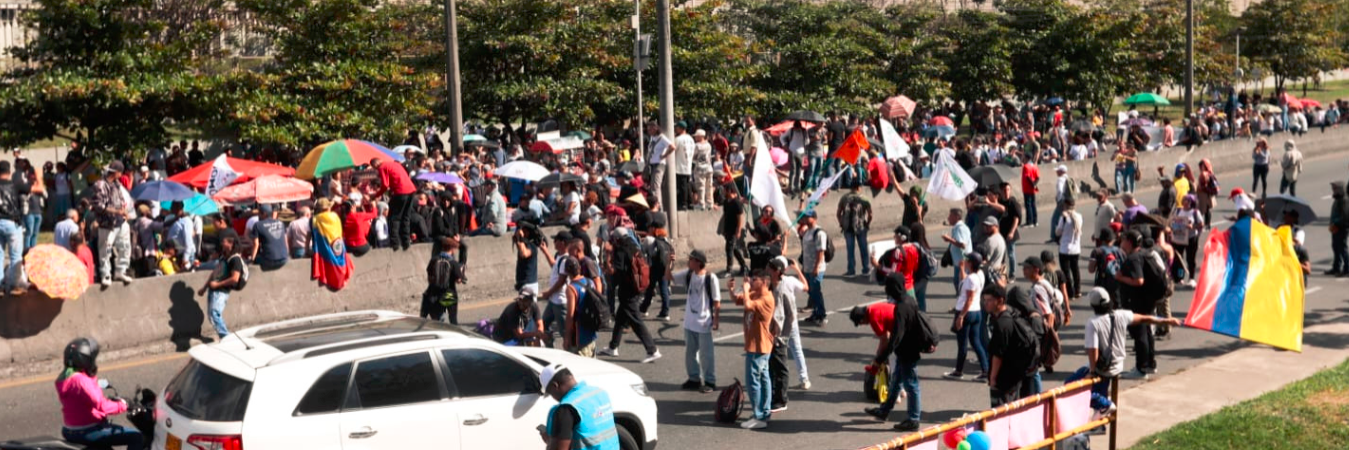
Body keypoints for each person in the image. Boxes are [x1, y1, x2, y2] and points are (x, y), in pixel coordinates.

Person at [1072, 287, 1181, 415]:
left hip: (1103, 368)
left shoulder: (1093, 323)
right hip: (1117, 365)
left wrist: (1092, 372)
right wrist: (1168, 321)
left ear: (1093, 305)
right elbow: (1144, 318)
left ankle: (1106, 405)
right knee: (1099, 388)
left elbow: (1093, 350)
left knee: (1070, 386)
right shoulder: (1120, 315)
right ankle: (1099, 422)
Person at [55, 338, 145, 450]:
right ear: (84, 359)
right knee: (136, 437)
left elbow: (82, 403)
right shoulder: (81, 381)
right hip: (87, 430)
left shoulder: (64, 378)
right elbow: (102, 406)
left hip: (71, 429)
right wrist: (124, 404)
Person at [863, 283, 925, 432]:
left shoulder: (901, 307)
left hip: (907, 350)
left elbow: (896, 336)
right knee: (896, 381)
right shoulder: (910, 301)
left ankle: (913, 419)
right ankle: (884, 410)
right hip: (907, 349)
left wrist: (881, 357)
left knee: (911, 386)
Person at [598, 218, 661, 364]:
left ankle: (652, 350)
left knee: (635, 320)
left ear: (617, 239)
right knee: (620, 318)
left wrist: (607, 258)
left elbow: (615, 271)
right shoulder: (634, 246)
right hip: (636, 287)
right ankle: (613, 347)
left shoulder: (620, 250)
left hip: (628, 290)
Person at [728, 270, 776, 429]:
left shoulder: (767, 299)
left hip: (759, 347)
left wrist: (746, 288)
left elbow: (748, 304)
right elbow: (738, 300)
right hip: (756, 345)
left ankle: (759, 416)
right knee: (763, 378)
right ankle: (764, 412)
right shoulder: (755, 293)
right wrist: (732, 289)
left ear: (764, 282)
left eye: (754, 279)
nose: (750, 281)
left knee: (753, 380)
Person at [1114, 230, 1165, 378]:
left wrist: (1120, 278)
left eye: (1123, 239)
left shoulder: (1133, 258)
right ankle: (1150, 364)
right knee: (1148, 331)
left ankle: (1141, 368)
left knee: (1140, 333)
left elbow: (1139, 281)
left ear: (1129, 242)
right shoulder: (1144, 254)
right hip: (1148, 300)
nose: (1121, 242)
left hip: (1139, 301)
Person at [669, 250, 721, 393]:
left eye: (691, 259)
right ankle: (694, 379)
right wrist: (669, 263)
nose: (688, 261)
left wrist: (716, 320)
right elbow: (669, 277)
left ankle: (710, 381)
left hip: (704, 322)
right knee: (690, 353)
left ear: (698, 262)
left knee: (706, 354)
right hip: (689, 322)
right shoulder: (688, 274)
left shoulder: (711, 278)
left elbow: (717, 302)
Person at [538, 363, 620, 450]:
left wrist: (550, 441)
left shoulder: (566, 409)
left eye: (551, 393)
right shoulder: (600, 392)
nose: (553, 398)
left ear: (555, 386)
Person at [985, 285, 1040, 407]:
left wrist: (993, 378)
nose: (986, 303)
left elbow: (998, 355)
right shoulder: (1013, 314)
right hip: (1017, 373)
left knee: (1000, 410)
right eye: (985, 300)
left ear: (1000, 301)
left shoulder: (1001, 324)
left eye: (989, 300)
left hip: (1005, 377)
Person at [945, 252, 989, 381]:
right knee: (976, 342)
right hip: (976, 312)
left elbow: (969, 298)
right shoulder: (979, 275)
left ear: (971, 263)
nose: (965, 260)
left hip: (966, 312)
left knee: (962, 344)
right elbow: (964, 282)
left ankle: (958, 371)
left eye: (967, 260)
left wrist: (961, 316)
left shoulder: (971, 279)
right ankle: (985, 370)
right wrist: (962, 269)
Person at [91, 161, 131, 287]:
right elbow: (98, 204)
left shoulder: (117, 184)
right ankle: (106, 274)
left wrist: (124, 212)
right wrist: (115, 211)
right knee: (105, 250)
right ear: (117, 172)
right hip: (107, 224)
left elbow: (120, 200)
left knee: (125, 246)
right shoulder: (100, 185)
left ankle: (121, 270)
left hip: (120, 221)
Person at [198, 236, 244, 339]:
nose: (221, 244)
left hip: (221, 292)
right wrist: (204, 288)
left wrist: (217, 285)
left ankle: (226, 338)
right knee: (212, 316)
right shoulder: (224, 257)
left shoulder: (235, 259)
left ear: (231, 244)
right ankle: (225, 337)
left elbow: (234, 278)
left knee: (214, 314)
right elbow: (215, 273)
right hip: (214, 290)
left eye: (224, 241)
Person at [368, 158, 416, 251]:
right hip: (411, 190)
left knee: (394, 217)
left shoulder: (382, 167)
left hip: (401, 191)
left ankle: (395, 243)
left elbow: (385, 185)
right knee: (406, 216)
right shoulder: (394, 164)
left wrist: (375, 195)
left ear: (375, 165)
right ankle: (406, 242)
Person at [423, 236, 466, 324]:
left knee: (438, 321)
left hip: (436, 294)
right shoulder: (453, 263)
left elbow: (429, 276)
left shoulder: (434, 260)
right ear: (452, 249)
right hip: (449, 293)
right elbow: (458, 280)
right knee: (453, 319)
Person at [798, 210, 829, 325]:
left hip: (816, 268)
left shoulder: (819, 233)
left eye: (808, 217)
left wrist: (816, 268)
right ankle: (815, 313)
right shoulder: (807, 231)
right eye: (805, 217)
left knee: (816, 291)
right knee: (811, 291)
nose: (805, 219)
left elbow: (820, 251)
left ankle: (822, 315)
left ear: (814, 218)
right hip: (807, 267)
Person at [837, 184, 872, 277]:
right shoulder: (864, 199)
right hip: (861, 227)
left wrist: (842, 224)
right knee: (863, 248)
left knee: (850, 249)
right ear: (858, 188)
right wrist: (867, 224)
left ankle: (851, 271)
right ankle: (866, 269)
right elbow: (870, 214)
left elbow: (838, 213)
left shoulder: (844, 198)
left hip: (848, 228)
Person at [1169, 195, 1203, 287]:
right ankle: (1180, 278)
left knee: (1190, 259)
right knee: (1179, 259)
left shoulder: (1195, 212)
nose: (1185, 202)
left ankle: (1191, 278)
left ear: (1191, 202)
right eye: (1184, 200)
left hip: (1191, 238)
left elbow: (1201, 224)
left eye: (1187, 201)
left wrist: (1193, 227)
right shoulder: (1179, 210)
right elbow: (1172, 221)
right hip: (1179, 238)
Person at [719, 184, 749, 276]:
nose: (723, 192)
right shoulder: (726, 202)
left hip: (734, 229)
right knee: (734, 248)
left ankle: (729, 269)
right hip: (728, 229)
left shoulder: (737, 203)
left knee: (729, 249)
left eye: (725, 190)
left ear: (730, 191)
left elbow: (740, 217)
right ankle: (744, 266)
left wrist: (738, 230)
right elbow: (725, 216)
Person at [1056, 197, 1083, 298]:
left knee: (1066, 271)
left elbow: (1058, 231)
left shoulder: (1064, 218)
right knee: (1075, 269)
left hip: (1065, 249)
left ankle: (1070, 292)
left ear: (1066, 206)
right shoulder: (1079, 216)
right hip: (1076, 248)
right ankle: (1078, 290)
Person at [941, 208, 972, 294]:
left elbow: (963, 244)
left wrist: (949, 239)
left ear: (957, 217)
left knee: (960, 283)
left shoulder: (961, 228)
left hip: (963, 262)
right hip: (958, 261)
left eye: (950, 216)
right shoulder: (957, 228)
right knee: (957, 282)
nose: (948, 218)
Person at [248, 205, 288, 271]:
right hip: (284, 258)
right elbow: (285, 240)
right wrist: (287, 254)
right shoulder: (280, 223)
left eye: (259, 213)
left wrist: (252, 259)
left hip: (269, 261)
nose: (258, 215)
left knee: (254, 258)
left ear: (264, 214)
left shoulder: (258, 225)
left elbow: (256, 244)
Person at [1331, 182, 1349, 276]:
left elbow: (1345, 216)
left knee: (1342, 248)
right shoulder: (1338, 199)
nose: (1333, 191)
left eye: (1335, 189)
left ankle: (1347, 269)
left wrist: (1336, 222)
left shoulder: (1344, 200)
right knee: (1336, 248)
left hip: (1341, 228)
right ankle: (1336, 267)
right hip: (1336, 228)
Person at [1022, 159, 1040, 227]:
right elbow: (1038, 177)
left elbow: (1027, 177)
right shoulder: (1035, 166)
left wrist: (1032, 184)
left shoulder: (1026, 166)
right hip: (1032, 189)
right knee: (1033, 204)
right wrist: (1034, 185)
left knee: (1028, 205)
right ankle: (1035, 221)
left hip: (1027, 188)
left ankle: (1030, 221)